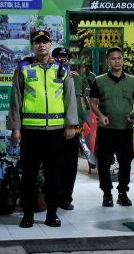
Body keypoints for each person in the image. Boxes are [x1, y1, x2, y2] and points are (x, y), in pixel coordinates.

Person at [6, 30, 78, 228]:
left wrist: (70, 124)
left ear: (50, 44)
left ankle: (52, 214)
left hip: (56, 132)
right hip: (30, 132)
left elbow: (69, 98)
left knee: (53, 176)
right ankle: (27, 214)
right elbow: (16, 100)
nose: (41, 45)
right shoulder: (23, 68)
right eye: (37, 42)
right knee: (29, 176)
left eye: (45, 41)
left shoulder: (62, 68)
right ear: (32, 46)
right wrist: (15, 128)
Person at [89, 46, 134, 208]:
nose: (116, 61)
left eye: (119, 58)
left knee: (126, 162)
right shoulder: (99, 81)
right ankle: (107, 194)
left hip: (125, 129)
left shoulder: (132, 81)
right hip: (106, 131)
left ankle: (123, 193)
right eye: (113, 58)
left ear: (123, 60)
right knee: (104, 163)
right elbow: (92, 103)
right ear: (107, 61)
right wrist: (100, 116)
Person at [51, 47, 87, 211]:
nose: (63, 61)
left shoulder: (77, 77)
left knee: (70, 164)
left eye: (65, 58)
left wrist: (81, 123)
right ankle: (53, 197)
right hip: (55, 126)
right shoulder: (48, 75)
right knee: (54, 163)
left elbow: (79, 101)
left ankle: (66, 197)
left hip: (74, 127)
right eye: (59, 58)